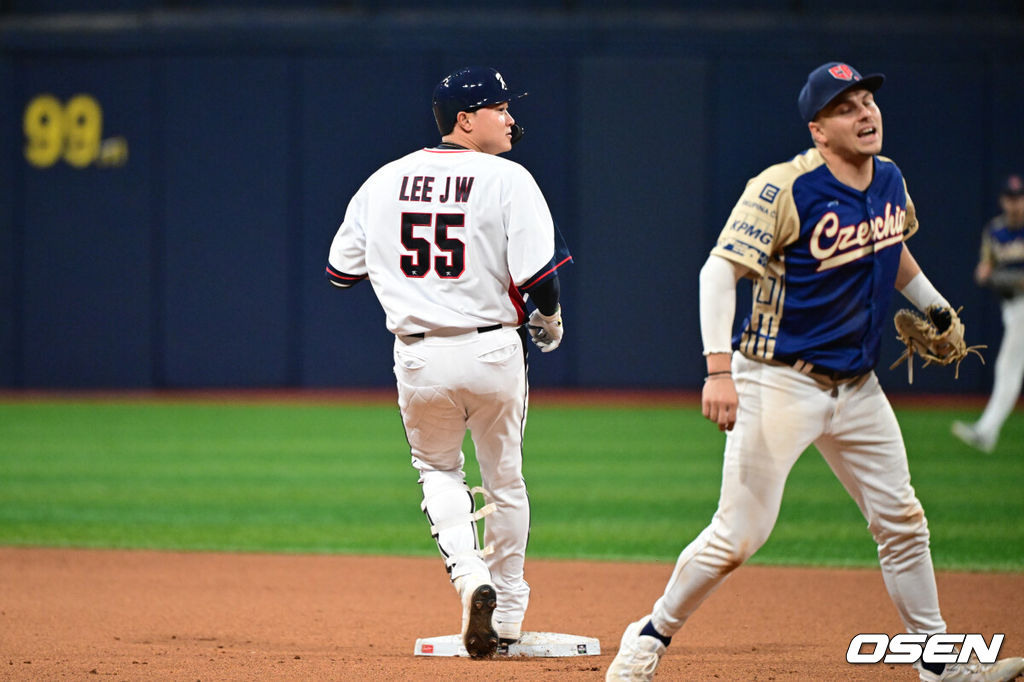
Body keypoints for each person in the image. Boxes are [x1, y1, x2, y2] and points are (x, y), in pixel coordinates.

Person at [606, 62, 1024, 682]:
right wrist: (717, 370)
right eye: (846, 107)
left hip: (858, 387)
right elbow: (718, 273)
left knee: (904, 523)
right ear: (818, 129)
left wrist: (934, 307)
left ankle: (937, 667)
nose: (866, 114)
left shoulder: (889, 178)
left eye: (867, 102)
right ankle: (648, 635)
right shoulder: (783, 189)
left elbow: (894, 249)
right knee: (738, 536)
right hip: (779, 380)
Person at [325, 66, 568, 659]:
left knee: (437, 472)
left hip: (419, 357)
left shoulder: (383, 180)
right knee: (504, 480)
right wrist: (551, 320)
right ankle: (507, 610)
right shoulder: (509, 179)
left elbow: (340, 271)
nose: (511, 117)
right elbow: (539, 279)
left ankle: (468, 577)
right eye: (499, 107)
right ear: (465, 119)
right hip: (491, 348)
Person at [951, 174, 1024, 453]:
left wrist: (1001, 277)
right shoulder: (995, 231)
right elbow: (983, 272)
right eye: (1011, 198)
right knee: (1008, 368)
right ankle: (987, 431)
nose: (1015, 203)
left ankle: (986, 431)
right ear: (1003, 200)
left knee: (1008, 367)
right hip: (1012, 306)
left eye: (1019, 198)